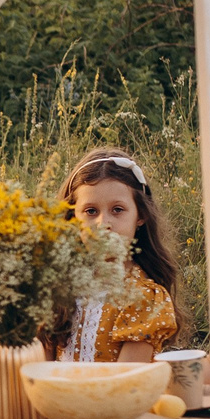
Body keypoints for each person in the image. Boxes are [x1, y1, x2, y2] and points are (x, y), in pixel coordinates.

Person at [59, 151, 180, 364]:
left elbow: (125, 380)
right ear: (72, 219)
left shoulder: (142, 297)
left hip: (116, 394)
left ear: (140, 215)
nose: (104, 223)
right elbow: (41, 366)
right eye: (90, 211)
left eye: (117, 210)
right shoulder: (61, 287)